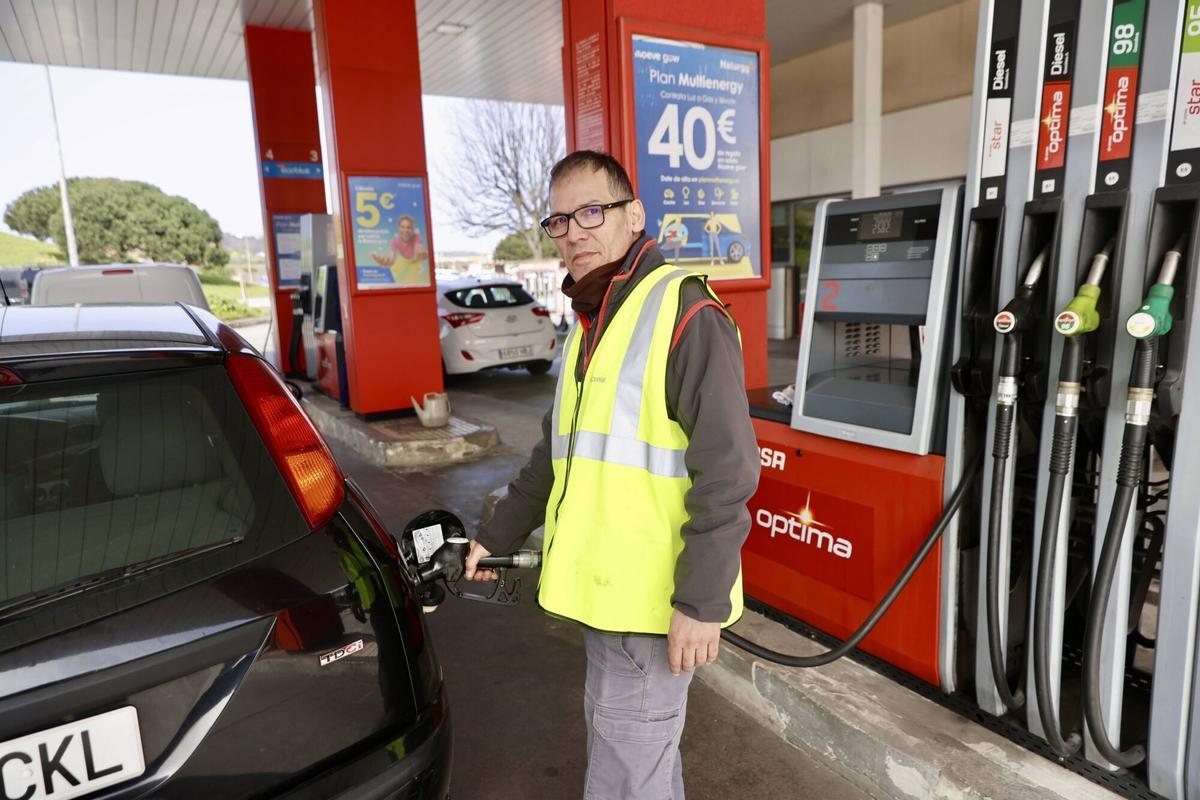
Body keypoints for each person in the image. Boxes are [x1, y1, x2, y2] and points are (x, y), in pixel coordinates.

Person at [465, 150, 759, 799]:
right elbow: (554, 454)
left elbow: (729, 470)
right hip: (610, 601)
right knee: (634, 760)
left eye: (591, 212)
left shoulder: (683, 312)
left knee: (627, 776)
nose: (574, 232)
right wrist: (498, 535)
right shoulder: (592, 324)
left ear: (634, 215)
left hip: (654, 608)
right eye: (560, 220)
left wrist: (700, 603)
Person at [370, 214, 428, 285]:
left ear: (413, 229)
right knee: (391, 271)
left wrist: (422, 254)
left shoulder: (417, 237)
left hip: (414, 261)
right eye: (402, 227)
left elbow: (418, 251)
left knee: (410, 280)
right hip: (403, 259)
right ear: (398, 228)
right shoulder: (395, 241)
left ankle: (419, 267)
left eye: (409, 227)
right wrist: (384, 261)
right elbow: (391, 259)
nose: (405, 230)